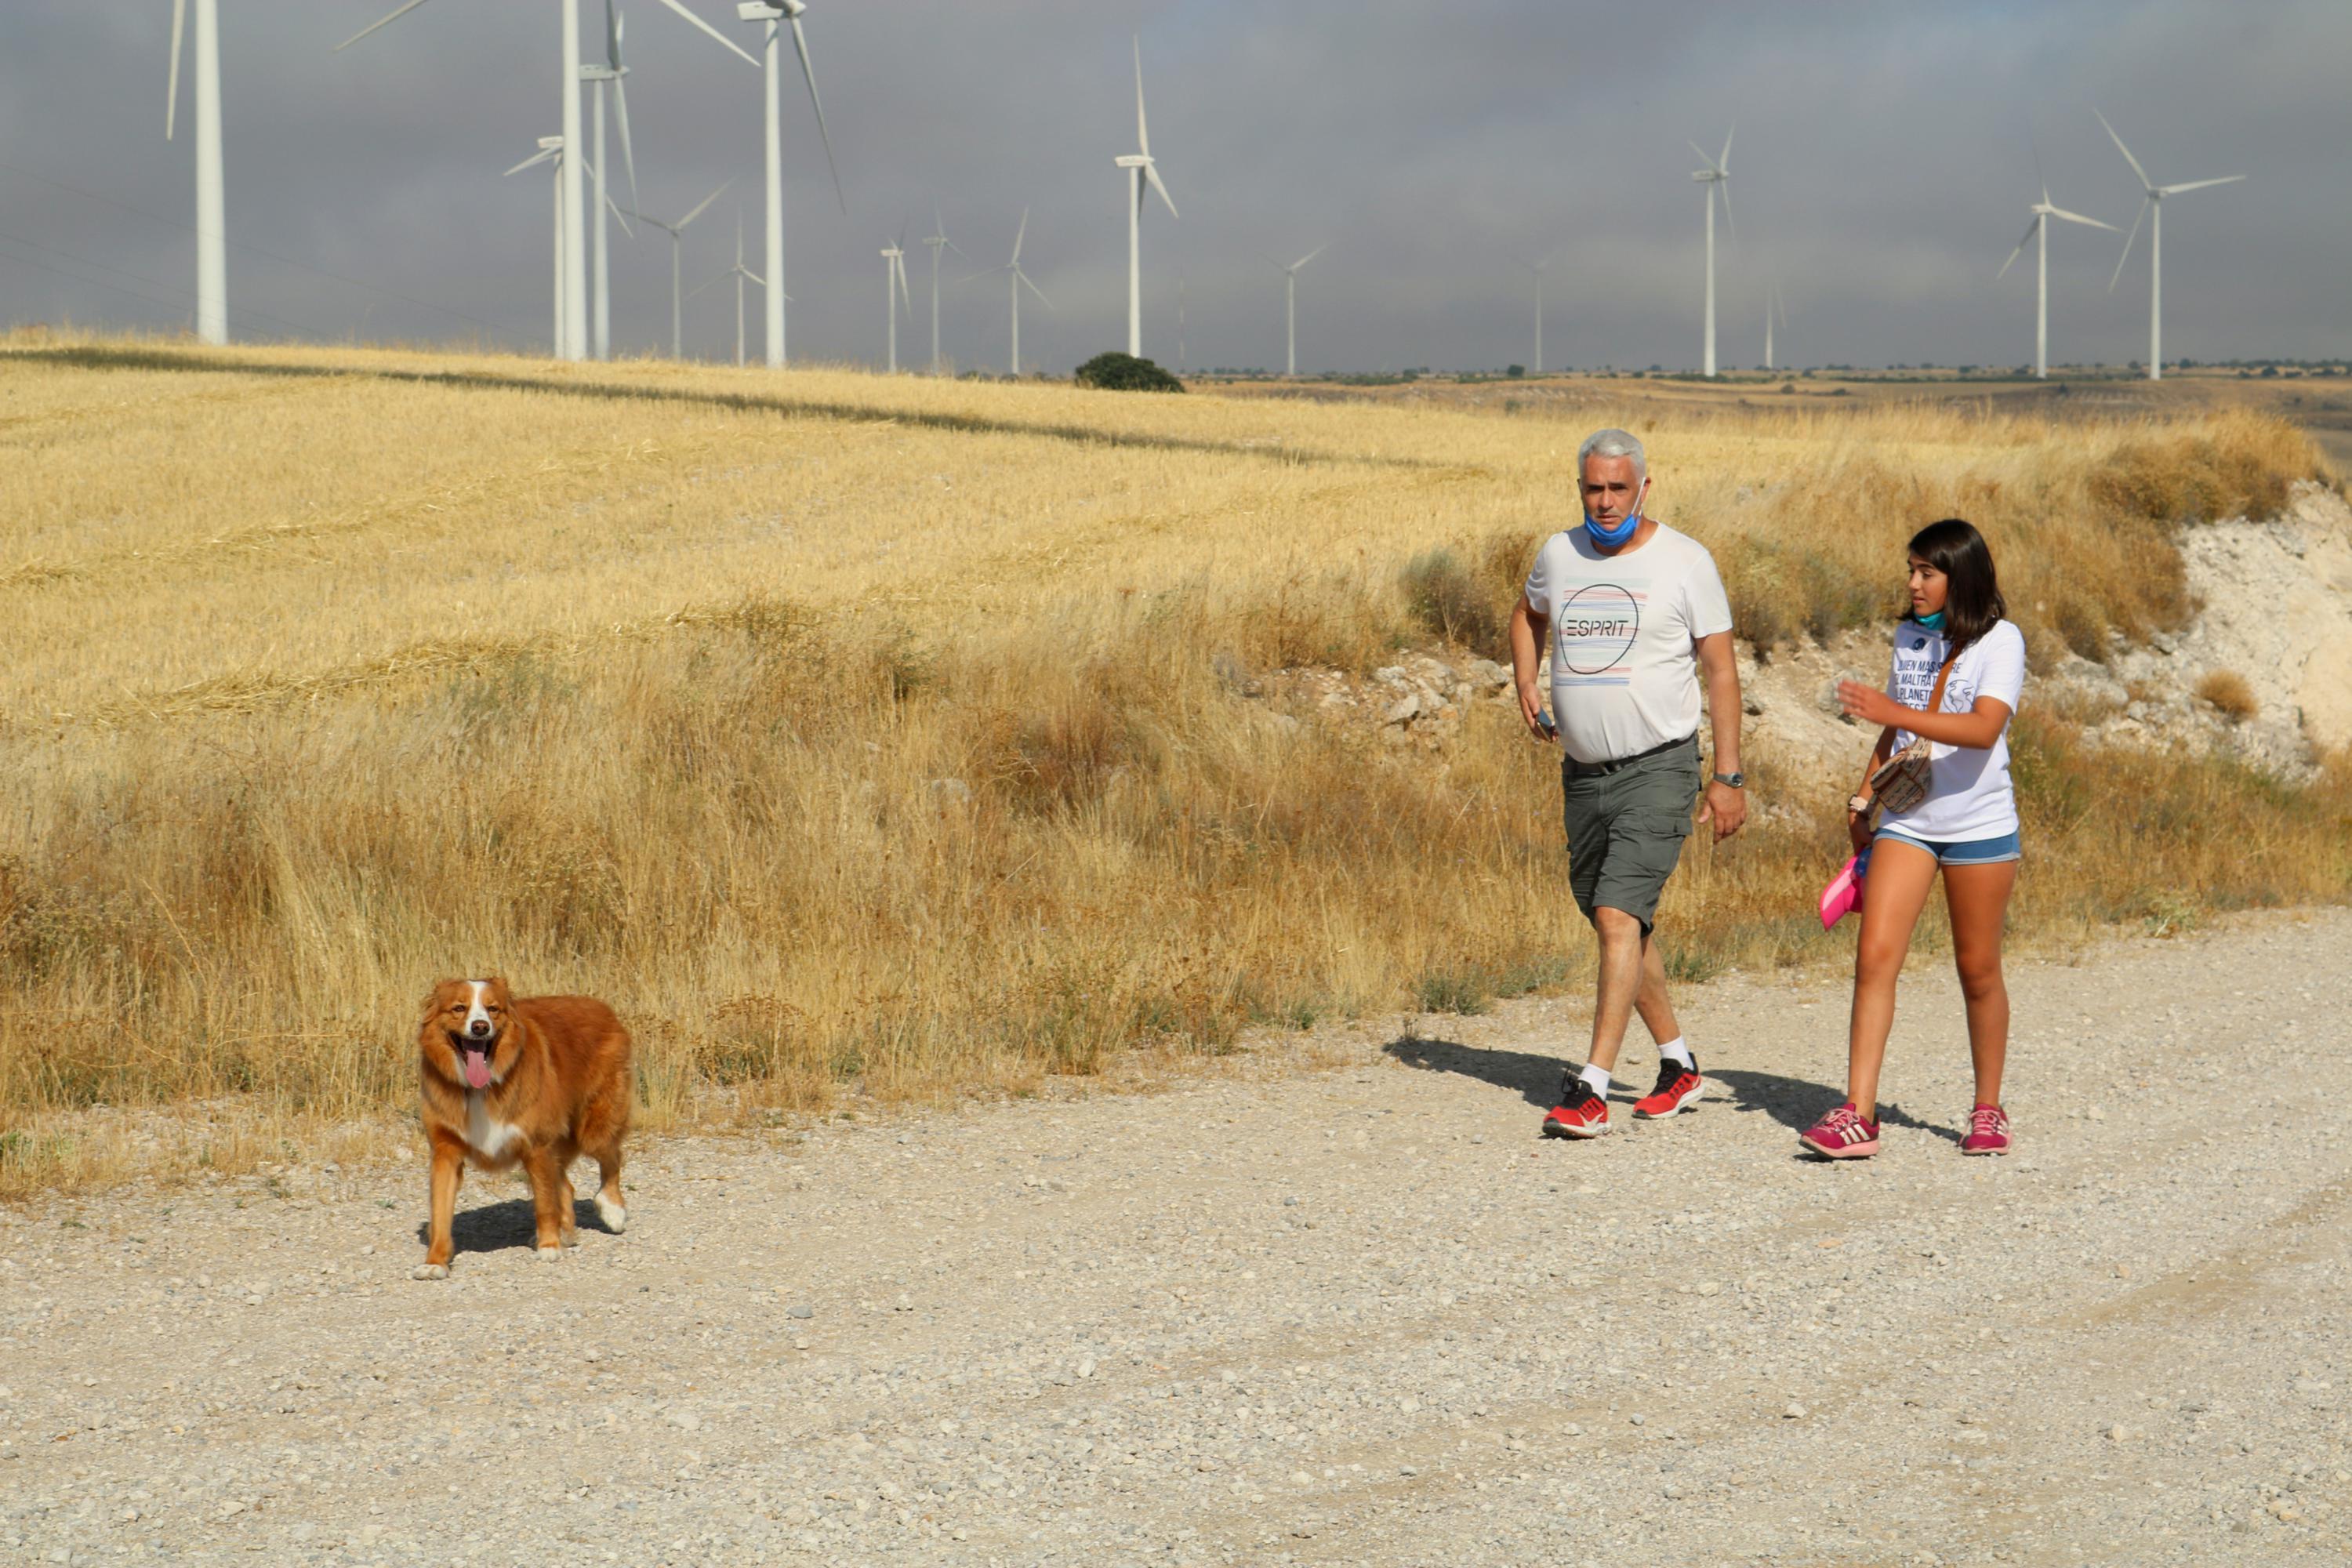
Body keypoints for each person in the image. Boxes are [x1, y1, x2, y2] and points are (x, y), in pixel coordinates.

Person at [1509, 428, 1748, 1140]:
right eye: (1593, 488)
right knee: (1615, 917)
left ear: (1644, 486)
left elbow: (1722, 672)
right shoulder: (1559, 553)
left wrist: (1728, 776)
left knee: (1617, 917)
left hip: (1660, 768)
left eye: (1618, 488)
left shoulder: (1686, 561)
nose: (1605, 502)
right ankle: (1678, 1066)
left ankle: (1592, 1085)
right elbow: (1526, 613)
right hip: (1583, 774)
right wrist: (1525, 676)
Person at [1802, 518, 2027, 1160]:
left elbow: (1983, 729)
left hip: (1980, 825)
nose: (1914, 583)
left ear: (1962, 577)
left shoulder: (2001, 641)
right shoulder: (1909, 636)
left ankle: (1988, 1110)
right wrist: (1864, 796)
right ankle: (1858, 1113)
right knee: (1874, 958)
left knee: (1977, 970)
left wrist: (1887, 710)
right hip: (1909, 822)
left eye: (1928, 572)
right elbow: (1895, 734)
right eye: (1911, 569)